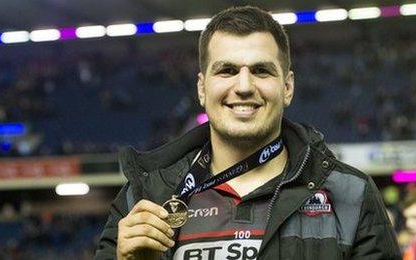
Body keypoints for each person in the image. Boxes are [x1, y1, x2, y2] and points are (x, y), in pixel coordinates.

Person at [94, 6, 399, 260]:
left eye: (261, 71)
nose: (243, 87)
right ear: (202, 88)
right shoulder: (145, 198)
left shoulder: (350, 195)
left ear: (288, 87)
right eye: (226, 70)